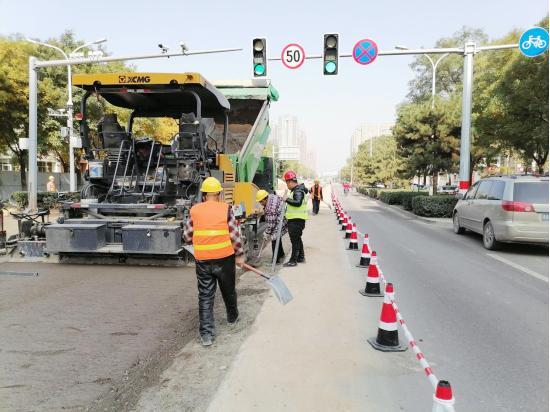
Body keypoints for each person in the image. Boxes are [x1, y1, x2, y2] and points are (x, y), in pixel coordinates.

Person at [183, 177, 245, 347]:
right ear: (219, 194)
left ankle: (207, 335)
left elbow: (187, 236)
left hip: (203, 260)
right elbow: (234, 235)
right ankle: (232, 318)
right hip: (224, 258)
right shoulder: (226, 209)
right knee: (228, 290)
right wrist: (239, 255)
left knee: (205, 295)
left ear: (203, 194)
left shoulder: (195, 210)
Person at [282, 170, 308, 267]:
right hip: (297, 219)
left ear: (290, 182)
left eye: (287, 183)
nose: (287, 185)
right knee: (297, 239)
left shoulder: (298, 191)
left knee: (294, 241)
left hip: (296, 220)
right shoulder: (297, 190)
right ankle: (301, 257)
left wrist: (286, 199)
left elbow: (298, 203)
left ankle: (293, 261)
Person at [256, 189, 287, 264]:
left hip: (282, 219)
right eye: (259, 202)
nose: (261, 204)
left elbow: (271, 225)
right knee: (277, 236)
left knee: (274, 237)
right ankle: (281, 254)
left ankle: (275, 260)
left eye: (261, 201)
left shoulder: (270, 209)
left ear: (265, 198)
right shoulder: (271, 196)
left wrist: (266, 234)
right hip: (283, 215)